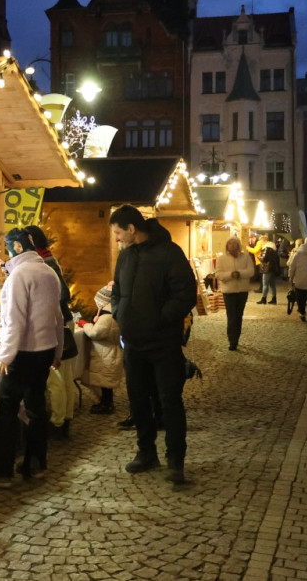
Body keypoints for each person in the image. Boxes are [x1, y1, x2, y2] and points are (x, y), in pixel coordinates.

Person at [109, 205, 197, 486]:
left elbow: (185, 294)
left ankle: (176, 460)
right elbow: (117, 292)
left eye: (118, 233)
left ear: (132, 229)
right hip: (133, 343)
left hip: (163, 343)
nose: (116, 239)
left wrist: (159, 319)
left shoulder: (169, 253)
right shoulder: (125, 257)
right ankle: (147, 453)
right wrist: (118, 313)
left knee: (169, 401)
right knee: (138, 401)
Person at [0, 228, 64, 488]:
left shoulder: (19, 275)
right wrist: (57, 350)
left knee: (7, 411)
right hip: (44, 351)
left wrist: (6, 356)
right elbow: (58, 317)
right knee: (36, 408)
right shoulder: (48, 272)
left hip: (23, 353)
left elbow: (14, 321)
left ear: (16, 248)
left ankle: (0, 473)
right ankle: (36, 464)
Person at [24, 225, 76, 440]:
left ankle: (56, 423)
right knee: (64, 377)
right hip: (63, 321)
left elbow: (62, 294)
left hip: (56, 323)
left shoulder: (44, 262)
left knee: (55, 378)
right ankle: (65, 420)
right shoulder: (48, 257)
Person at [80, 284, 123, 414]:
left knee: (105, 384)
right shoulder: (114, 312)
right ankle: (105, 403)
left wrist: (85, 324)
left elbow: (95, 333)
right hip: (109, 352)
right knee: (105, 382)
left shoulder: (107, 317)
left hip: (106, 354)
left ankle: (106, 405)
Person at [215, 236, 255, 351]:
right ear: (227, 246)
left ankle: (236, 337)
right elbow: (218, 274)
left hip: (242, 291)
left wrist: (240, 273)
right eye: (230, 244)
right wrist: (230, 275)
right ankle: (232, 341)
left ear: (238, 246)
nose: (232, 246)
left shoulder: (246, 257)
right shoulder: (222, 259)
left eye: (234, 244)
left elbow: (251, 271)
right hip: (229, 291)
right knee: (231, 316)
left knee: (239, 315)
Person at [256, 240, 281, 305]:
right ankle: (274, 298)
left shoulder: (266, 249)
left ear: (263, 241)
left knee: (265, 284)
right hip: (273, 268)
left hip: (267, 268)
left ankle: (263, 299)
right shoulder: (274, 249)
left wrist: (259, 256)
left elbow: (263, 259)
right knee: (272, 285)